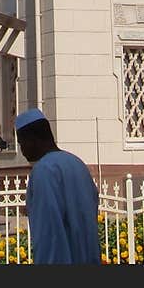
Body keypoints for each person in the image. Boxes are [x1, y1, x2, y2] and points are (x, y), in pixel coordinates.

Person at [15, 108, 101, 264]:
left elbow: (49, 233)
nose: (22, 151)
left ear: (33, 139)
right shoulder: (77, 163)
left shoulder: (44, 171)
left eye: (22, 143)